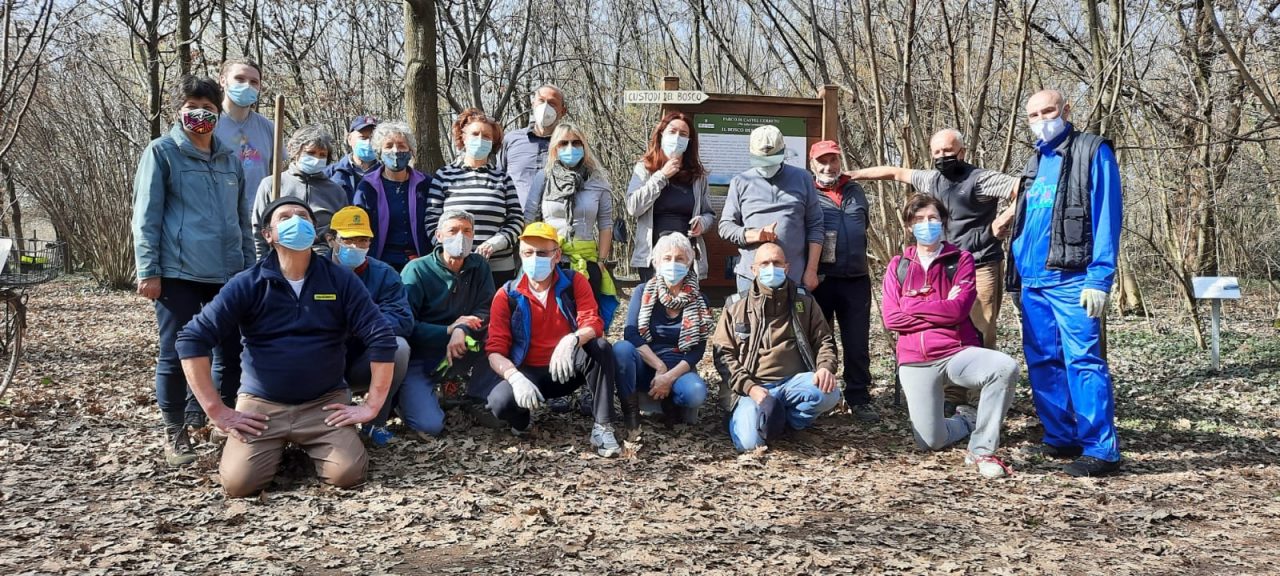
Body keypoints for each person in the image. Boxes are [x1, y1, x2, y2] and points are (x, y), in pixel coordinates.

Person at [176, 197, 398, 498]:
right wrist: (217, 411)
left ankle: (311, 446)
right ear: (268, 234)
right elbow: (191, 339)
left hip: (324, 403)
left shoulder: (340, 280)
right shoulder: (247, 284)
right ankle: (267, 447)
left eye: (303, 216)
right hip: (262, 405)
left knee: (348, 475)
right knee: (239, 485)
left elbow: (381, 337)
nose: (296, 220)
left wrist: (371, 405)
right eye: (285, 217)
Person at [848, 128, 1019, 413]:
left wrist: (1001, 222)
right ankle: (954, 396)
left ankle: (981, 397)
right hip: (945, 264)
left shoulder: (980, 179)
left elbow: (1022, 188)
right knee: (948, 324)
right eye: (937, 152)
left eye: (948, 151)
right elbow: (894, 173)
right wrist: (853, 176)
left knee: (980, 329)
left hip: (980, 263)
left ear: (962, 151)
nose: (942, 156)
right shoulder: (932, 179)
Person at [132, 75, 254, 466]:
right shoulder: (162, 152)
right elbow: (145, 217)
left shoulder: (230, 159)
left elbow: (241, 220)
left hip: (228, 273)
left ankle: (220, 421)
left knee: (230, 352)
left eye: (209, 108)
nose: (200, 115)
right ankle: (176, 432)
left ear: (218, 114)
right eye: (192, 107)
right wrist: (148, 269)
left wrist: (250, 271)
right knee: (175, 352)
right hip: (177, 272)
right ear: (179, 111)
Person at [1007, 89, 1123, 477]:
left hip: (1072, 279)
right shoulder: (1034, 160)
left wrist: (1100, 277)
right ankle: (1061, 435)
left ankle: (1100, 449)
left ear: (1066, 110)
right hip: (1032, 281)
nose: (1042, 119)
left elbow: (1107, 216)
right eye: (1034, 114)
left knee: (1083, 360)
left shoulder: (1092, 151)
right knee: (1042, 360)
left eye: (1049, 111)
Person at [882, 194, 1017, 478]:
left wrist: (912, 304)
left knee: (1004, 367)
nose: (926, 224)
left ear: (943, 221)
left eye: (932, 218)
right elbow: (891, 318)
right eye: (918, 220)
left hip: (956, 352)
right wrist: (939, 307)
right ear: (909, 226)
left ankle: (982, 449)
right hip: (914, 360)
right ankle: (966, 421)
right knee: (931, 441)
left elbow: (958, 310)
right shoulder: (898, 266)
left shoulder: (961, 259)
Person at [478, 222, 621, 457]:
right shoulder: (506, 294)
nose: (535, 258)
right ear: (520, 256)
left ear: (557, 256)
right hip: (529, 375)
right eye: (528, 253)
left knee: (601, 347)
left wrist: (572, 339)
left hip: (567, 368)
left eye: (542, 253)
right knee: (499, 403)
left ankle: (602, 426)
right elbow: (495, 350)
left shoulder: (574, 282)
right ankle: (522, 421)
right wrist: (515, 378)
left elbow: (593, 322)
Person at [712, 242, 841, 452]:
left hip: (793, 383)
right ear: (753, 269)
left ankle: (790, 422)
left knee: (830, 392)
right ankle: (752, 416)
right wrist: (750, 387)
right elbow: (723, 355)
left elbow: (824, 339)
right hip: (751, 388)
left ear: (786, 267)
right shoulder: (735, 306)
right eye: (764, 263)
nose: (771, 268)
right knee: (749, 444)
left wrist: (825, 367)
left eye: (776, 262)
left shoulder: (804, 301)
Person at [398, 209, 497, 438]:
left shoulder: (479, 266)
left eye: (467, 231)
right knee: (430, 426)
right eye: (453, 230)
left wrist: (460, 329)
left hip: (464, 345)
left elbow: (486, 308)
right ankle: (403, 400)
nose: (460, 237)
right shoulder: (417, 270)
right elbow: (406, 323)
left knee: (502, 331)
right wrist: (447, 330)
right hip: (421, 355)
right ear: (439, 235)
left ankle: (478, 396)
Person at [324, 206, 413, 446]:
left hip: (366, 356)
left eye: (363, 240)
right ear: (331, 239)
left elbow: (403, 319)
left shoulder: (384, 274)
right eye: (349, 240)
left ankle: (376, 424)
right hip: (324, 359)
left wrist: (361, 327)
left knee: (399, 347)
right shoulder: (315, 271)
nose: (356, 246)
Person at [808, 140, 878, 423]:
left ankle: (859, 397)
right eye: (822, 162)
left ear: (840, 162)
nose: (828, 167)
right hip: (821, 279)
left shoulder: (855, 190)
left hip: (856, 278)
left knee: (857, 341)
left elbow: (865, 225)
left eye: (833, 161)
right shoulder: (808, 193)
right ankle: (820, 396)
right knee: (821, 340)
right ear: (812, 165)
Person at [524, 122, 619, 327]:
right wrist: (530, 256)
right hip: (549, 260)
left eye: (576, 142)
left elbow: (605, 224)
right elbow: (530, 218)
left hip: (587, 260)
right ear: (554, 148)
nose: (570, 148)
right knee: (552, 321)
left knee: (586, 320)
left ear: (584, 145)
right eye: (563, 143)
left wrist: (601, 260)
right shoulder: (544, 177)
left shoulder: (598, 180)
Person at [613, 233, 712, 431]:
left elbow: (697, 350)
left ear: (689, 262)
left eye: (680, 258)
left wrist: (668, 377)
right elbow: (631, 333)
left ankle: (672, 403)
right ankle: (631, 412)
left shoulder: (700, 300)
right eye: (667, 258)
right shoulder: (643, 292)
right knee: (621, 349)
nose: (673, 263)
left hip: (679, 367)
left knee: (695, 393)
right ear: (656, 263)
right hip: (646, 363)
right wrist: (659, 367)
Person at [719, 125, 824, 293]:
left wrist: (811, 270)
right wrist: (753, 234)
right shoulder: (740, 182)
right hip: (750, 277)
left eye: (772, 159)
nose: (767, 166)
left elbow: (816, 226)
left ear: (783, 151)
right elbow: (725, 227)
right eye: (762, 160)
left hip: (793, 276)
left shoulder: (803, 178)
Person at [426, 108, 525, 285]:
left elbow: (516, 220)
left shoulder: (502, 178)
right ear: (463, 137)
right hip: (455, 267)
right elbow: (432, 221)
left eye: (486, 136)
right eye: (475, 134)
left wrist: (496, 243)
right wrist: (451, 250)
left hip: (498, 268)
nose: (480, 139)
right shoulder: (444, 176)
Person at [625, 111, 715, 283]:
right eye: (672, 132)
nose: (677, 138)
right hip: (652, 256)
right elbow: (633, 207)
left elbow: (709, 214)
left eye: (683, 134)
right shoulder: (644, 168)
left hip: (686, 256)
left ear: (689, 141)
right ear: (661, 135)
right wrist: (661, 176)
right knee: (654, 306)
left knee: (685, 307)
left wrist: (702, 224)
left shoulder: (697, 176)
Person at [251, 125, 349, 258]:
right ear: (294, 151)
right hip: (279, 256)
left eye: (322, 155)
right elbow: (258, 229)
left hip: (323, 259)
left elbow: (344, 233)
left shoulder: (336, 192)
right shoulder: (272, 184)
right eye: (310, 153)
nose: (316, 159)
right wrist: (262, 262)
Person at [353, 120, 432, 271]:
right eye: (388, 146)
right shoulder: (367, 187)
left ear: (411, 151)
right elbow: (360, 227)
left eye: (401, 145)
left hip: (420, 263)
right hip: (379, 263)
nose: (395, 151)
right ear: (379, 152)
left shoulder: (425, 183)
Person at [214, 58, 281, 208]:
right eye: (240, 79)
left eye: (254, 82)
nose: (247, 86)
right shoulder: (210, 125)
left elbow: (279, 174)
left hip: (257, 216)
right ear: (223, 80)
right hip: (217, 214)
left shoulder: (270, 128)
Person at [498, 84, 567, 209]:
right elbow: (498, 180)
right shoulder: (511, 140)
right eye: (541, 101)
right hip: (516, 221)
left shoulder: (569, 145)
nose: (545, 107)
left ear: (563, 111)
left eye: (552, 103)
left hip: (555, 223)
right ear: (533, 104)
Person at [327, 115, 381, 203]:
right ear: (349, 139)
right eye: (363, 138)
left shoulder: (386, 174)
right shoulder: (331, 174)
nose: (368, 142)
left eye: (373, 138)